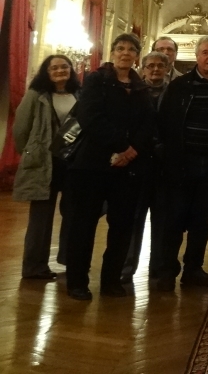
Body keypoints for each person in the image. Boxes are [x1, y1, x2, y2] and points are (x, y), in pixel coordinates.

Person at [64, 34, 156, 301]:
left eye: (131, 49)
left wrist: (132, 150)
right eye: (120, 49)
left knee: (122, 226)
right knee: (83, 224)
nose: (125, 53)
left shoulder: (140, 87)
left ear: (137, 55)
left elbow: (147, 123)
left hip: (128, 168)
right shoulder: (96, 79)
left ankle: (111, 280)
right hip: (92, 164)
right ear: (112, 52)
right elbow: (90, 117)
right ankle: (77, 282)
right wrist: (121, 146)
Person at [156, 35, 208, 291]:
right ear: (197, 55)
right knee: (174, 219)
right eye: (205, 53)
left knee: (201, 221)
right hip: (182, 163)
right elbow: (165, 124)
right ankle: (167, 270)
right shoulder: (179, 85)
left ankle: (193, 269)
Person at [14, 55, 80, 280]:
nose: (60, 70)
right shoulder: (36, 95)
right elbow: (21, 130)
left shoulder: (79, 95)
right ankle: (34, 267)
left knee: (73, 215)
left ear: (71, 70)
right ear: (46, 71)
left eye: (65, 66)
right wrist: (32, 153)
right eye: (55, 67)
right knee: (40, 219)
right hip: (45, 163)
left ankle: (69, 261)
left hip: (73, 164)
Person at [123, 51, 171, 282]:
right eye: (150, 66)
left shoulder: (174, 92)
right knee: (133, 219)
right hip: (137, 164)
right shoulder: (133, 93)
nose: (155, 70)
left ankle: (159, 269)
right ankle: (127, 266)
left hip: (164, 166)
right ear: (143, 68)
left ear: (167, 69)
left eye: (160, 66)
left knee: (162, 220)